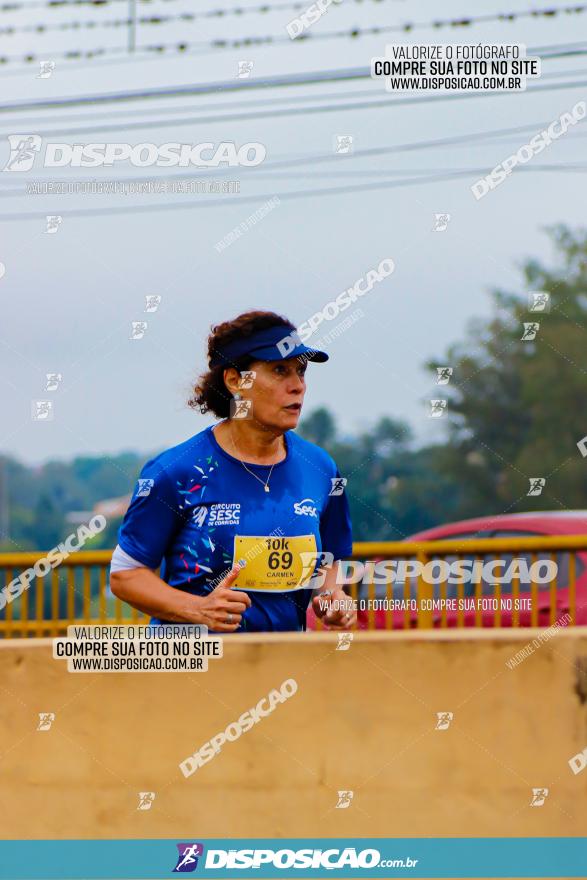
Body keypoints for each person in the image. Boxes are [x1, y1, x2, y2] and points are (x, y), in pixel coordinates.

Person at [109, 309, 356, 633]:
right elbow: (126, 576)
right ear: (235, 379)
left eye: (301, 371)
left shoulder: (321, 469)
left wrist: (332, 597)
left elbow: (331, 560)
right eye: (280, 370)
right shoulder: (175, 472)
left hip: (284, 671)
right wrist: (198, 610)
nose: (298, 386)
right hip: (191, 672)